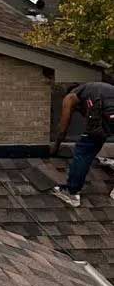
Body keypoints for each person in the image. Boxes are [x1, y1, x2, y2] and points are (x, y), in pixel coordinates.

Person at [50, 80, 114, 208]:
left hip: (107, 112)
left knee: (84, 150)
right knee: (95, 140)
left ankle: (71, 192)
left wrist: (56, 146)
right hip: (109, 113)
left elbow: (64, 126)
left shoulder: (71, 96)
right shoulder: (95, 89)